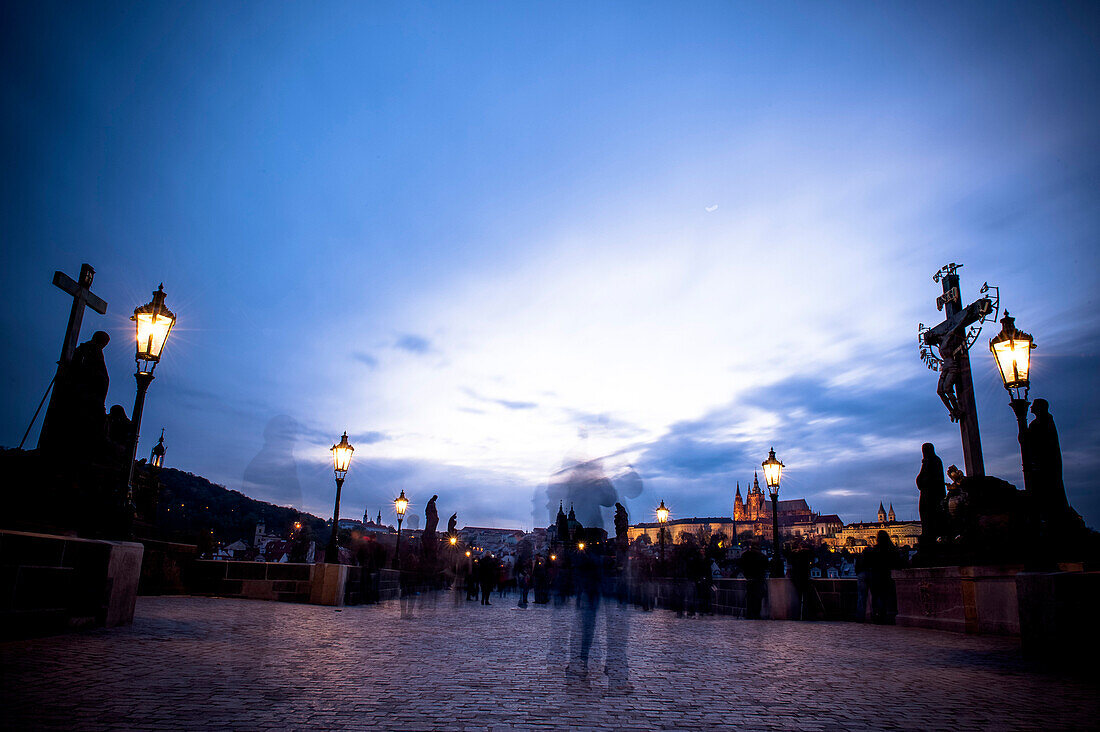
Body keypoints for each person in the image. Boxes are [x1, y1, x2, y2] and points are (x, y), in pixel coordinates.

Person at [865, 530, 903, 624]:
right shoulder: (892, 549)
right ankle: (886, 616)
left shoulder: (875, 550)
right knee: (885, 597)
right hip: (887, 576)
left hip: (876, 576)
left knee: (876, 597)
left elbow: (870, 562)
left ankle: (877, 616)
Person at [916, 443, 947, 553]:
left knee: (931, 514)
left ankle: (933, 536)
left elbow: (929, 478)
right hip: (926, 493)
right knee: (925, 514)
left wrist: (922, 481)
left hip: (933, 494)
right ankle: (928, 534)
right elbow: (921, 477)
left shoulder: (934, 461)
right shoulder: (927, 461)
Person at [740, 543, 767, 619]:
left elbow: (741, 565)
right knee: (758, 598)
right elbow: (766, 566)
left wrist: (746, 575)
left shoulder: (745, 555)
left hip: (749, 578)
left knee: (750, 597)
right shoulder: (761, 556)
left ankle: (749, 614)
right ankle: (756, 614)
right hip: (758, 579)